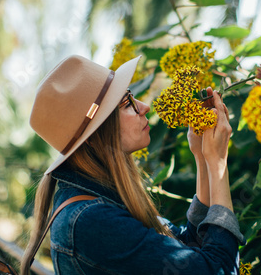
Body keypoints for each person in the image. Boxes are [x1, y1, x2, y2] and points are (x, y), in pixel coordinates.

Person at [21, 55, 245, 274]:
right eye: (127, 102)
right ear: (95, 133)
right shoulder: (91, 222)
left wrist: (202, 158)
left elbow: (186, 251)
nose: (144, 106)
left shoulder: (100, 200)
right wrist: (218, 164)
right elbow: (216, 269)